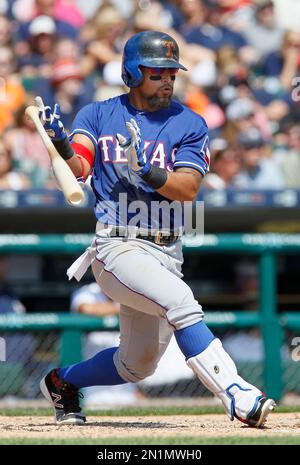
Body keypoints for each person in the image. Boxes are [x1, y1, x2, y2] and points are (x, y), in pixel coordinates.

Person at [36, 30, 275, 427]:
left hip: (167, 251)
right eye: (156, 72)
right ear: (132, 73)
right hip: (117, 246)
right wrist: (61, 143)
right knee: (182, 302)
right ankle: (235, 391)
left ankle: (63, 382)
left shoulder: (189, 123)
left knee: (137, 366)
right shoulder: (97, 114)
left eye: (171, 74)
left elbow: (187, 189)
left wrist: (146, 170)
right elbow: (78, 167)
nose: (167, 80)